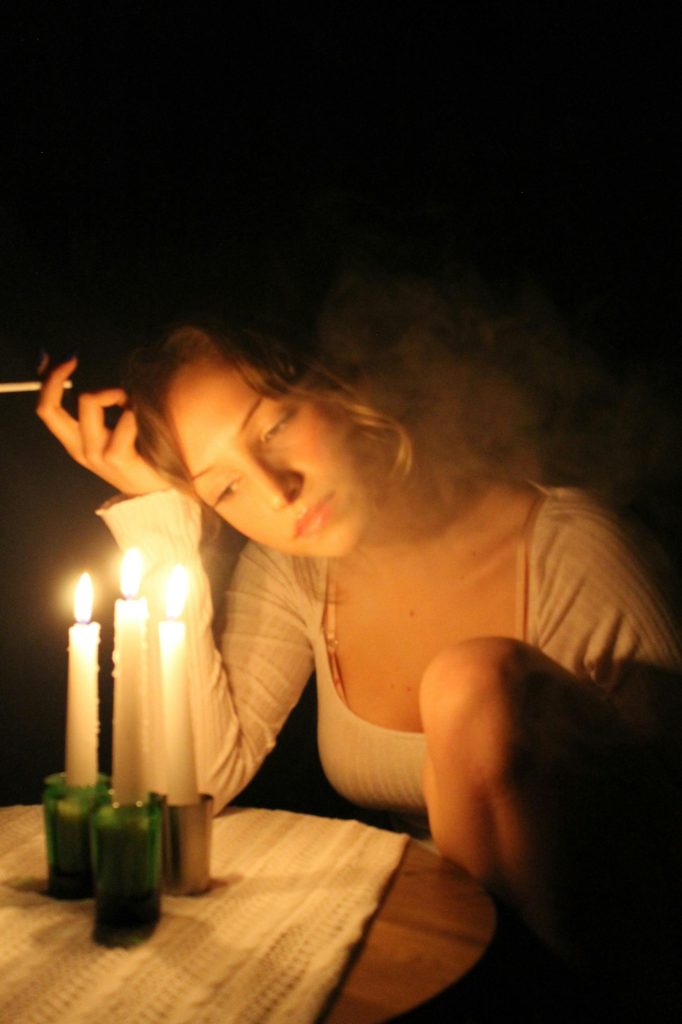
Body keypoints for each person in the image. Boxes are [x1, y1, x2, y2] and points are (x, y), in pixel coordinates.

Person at [38, 271, 682, 1016]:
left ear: (341, 387)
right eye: (224, 489)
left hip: (613, 976)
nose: (278, 491)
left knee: (472, 682)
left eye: (273, 427)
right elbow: (202, 778)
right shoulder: (295, 576)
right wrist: (158, 518)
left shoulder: (574, 548)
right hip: (453, 960)